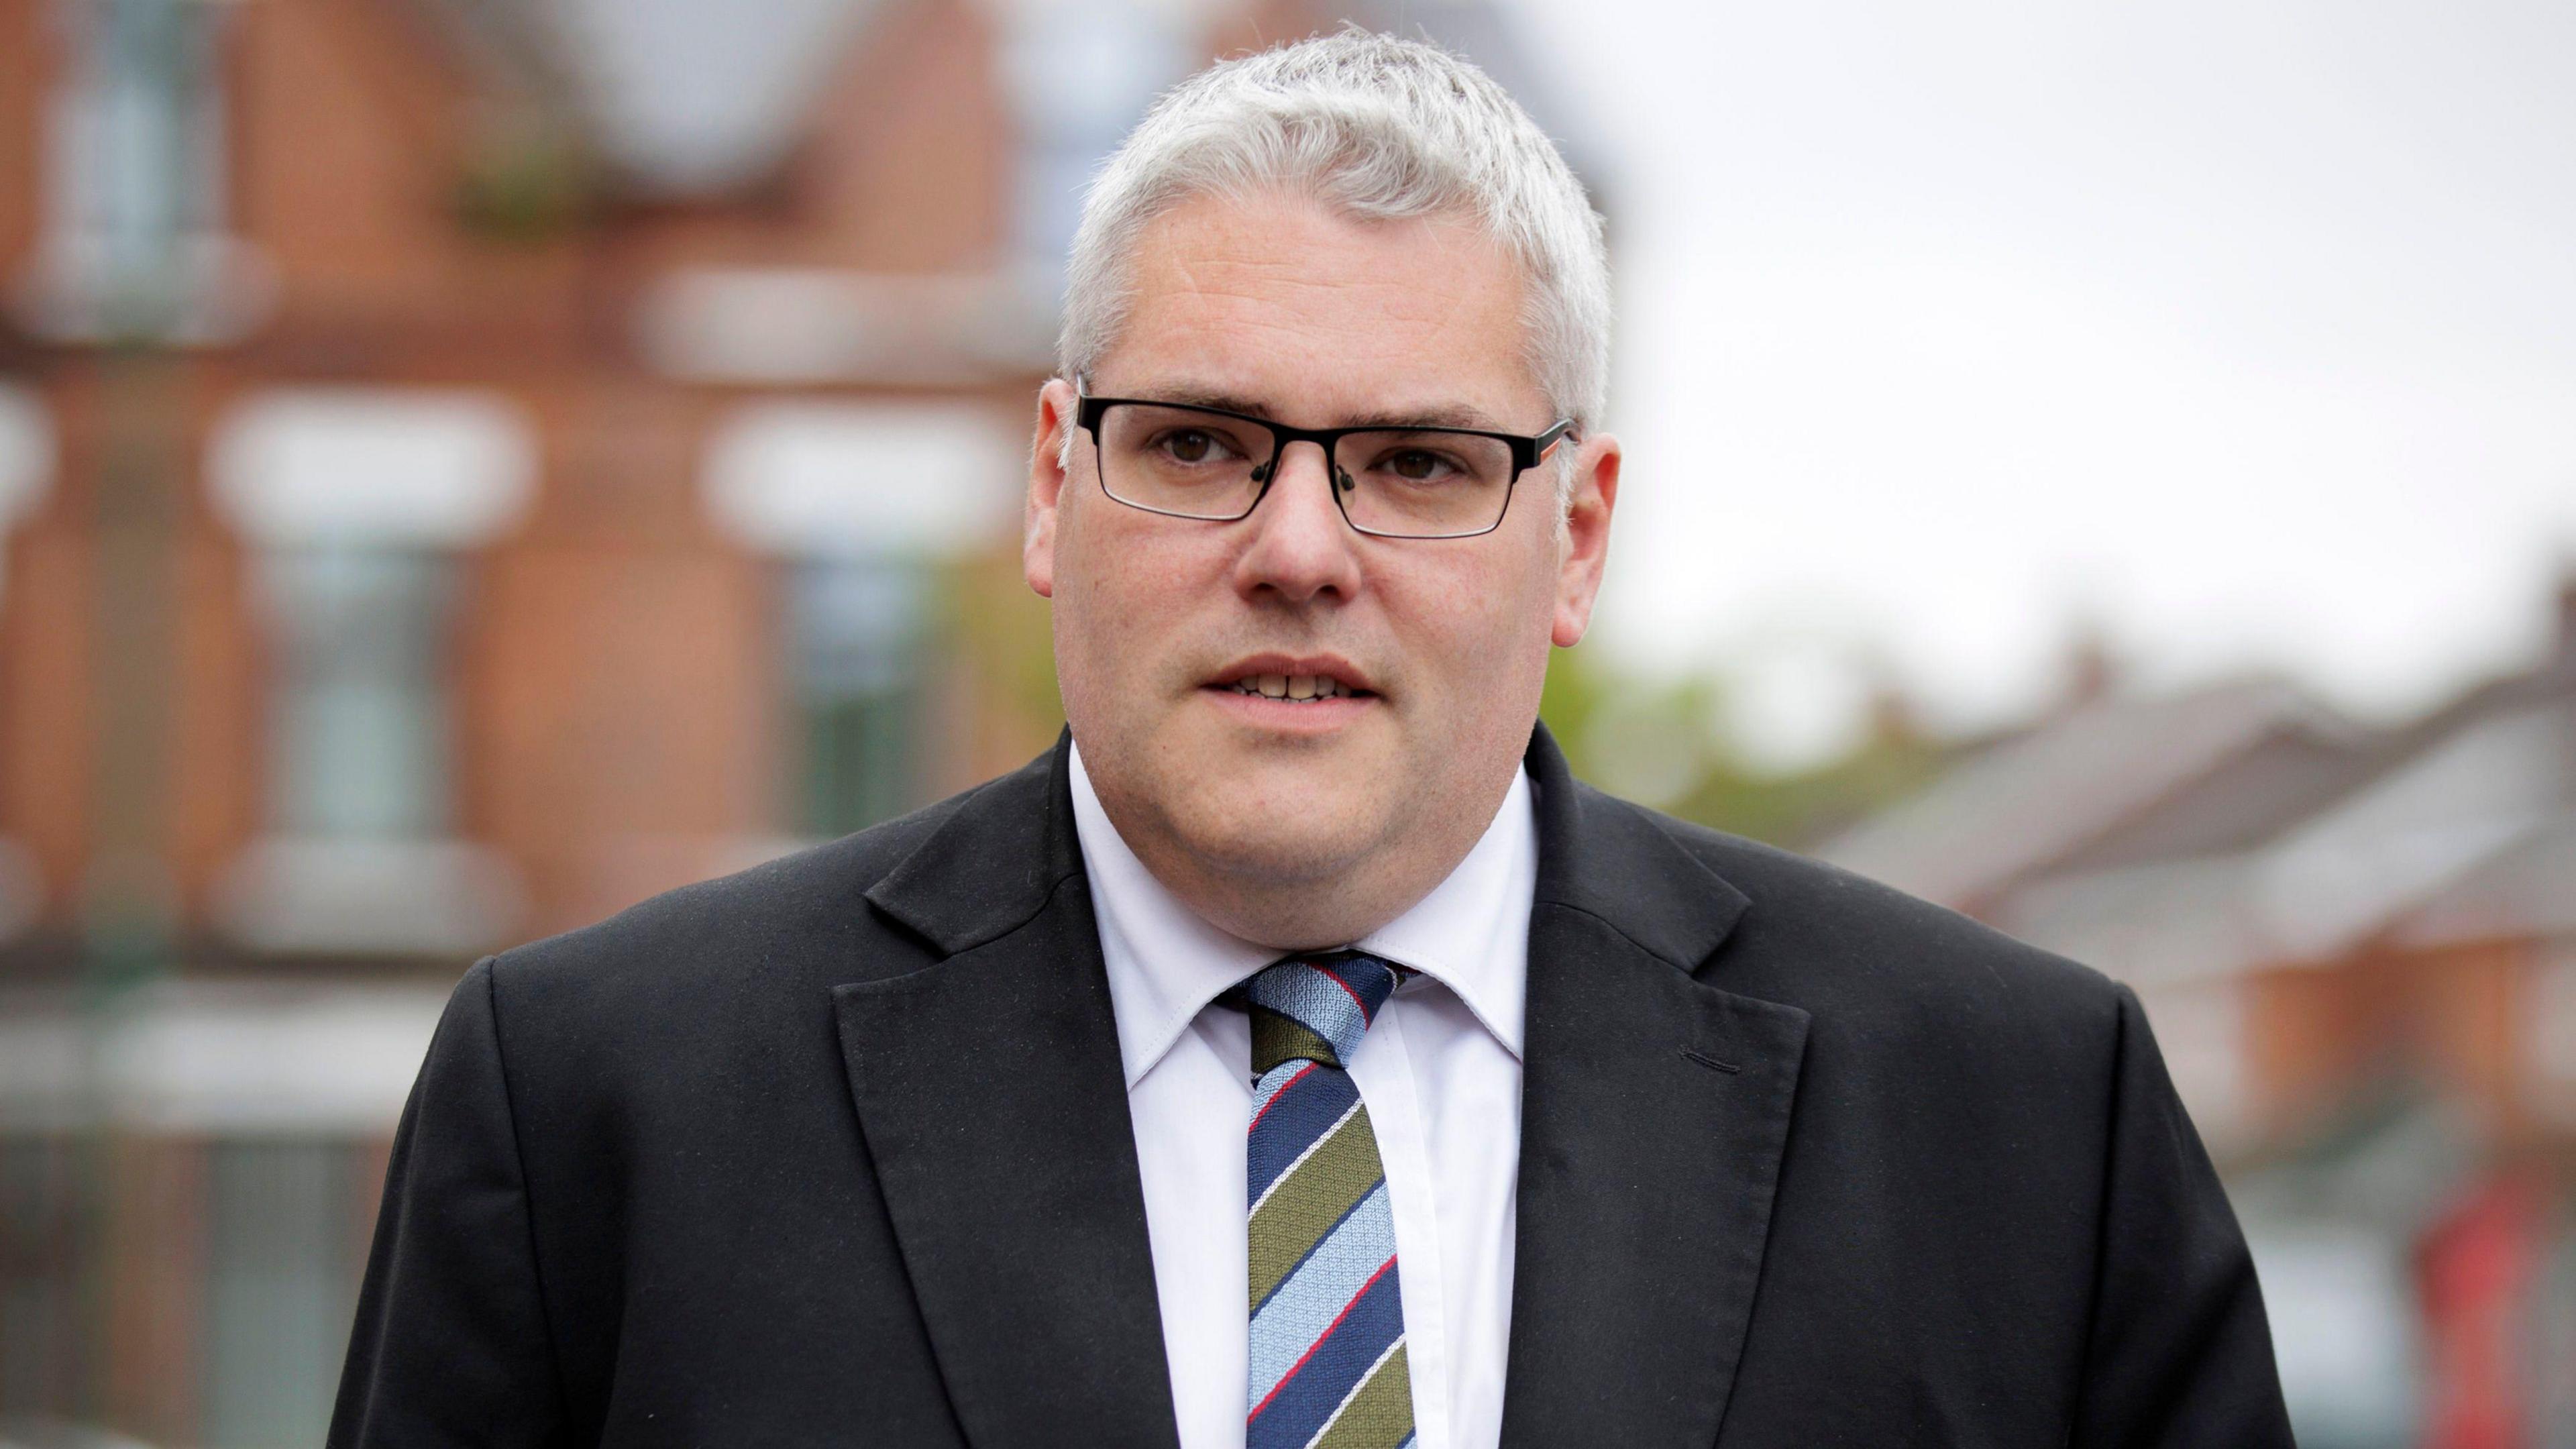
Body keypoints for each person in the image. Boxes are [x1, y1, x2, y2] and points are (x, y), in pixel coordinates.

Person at [330, 31, 2292, 1449]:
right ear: (1048, 483)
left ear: (1577, 536)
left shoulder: (2023, 1124)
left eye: (1421, 465)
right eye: (1197, 443)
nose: (1296, 553)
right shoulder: (602, 1110)